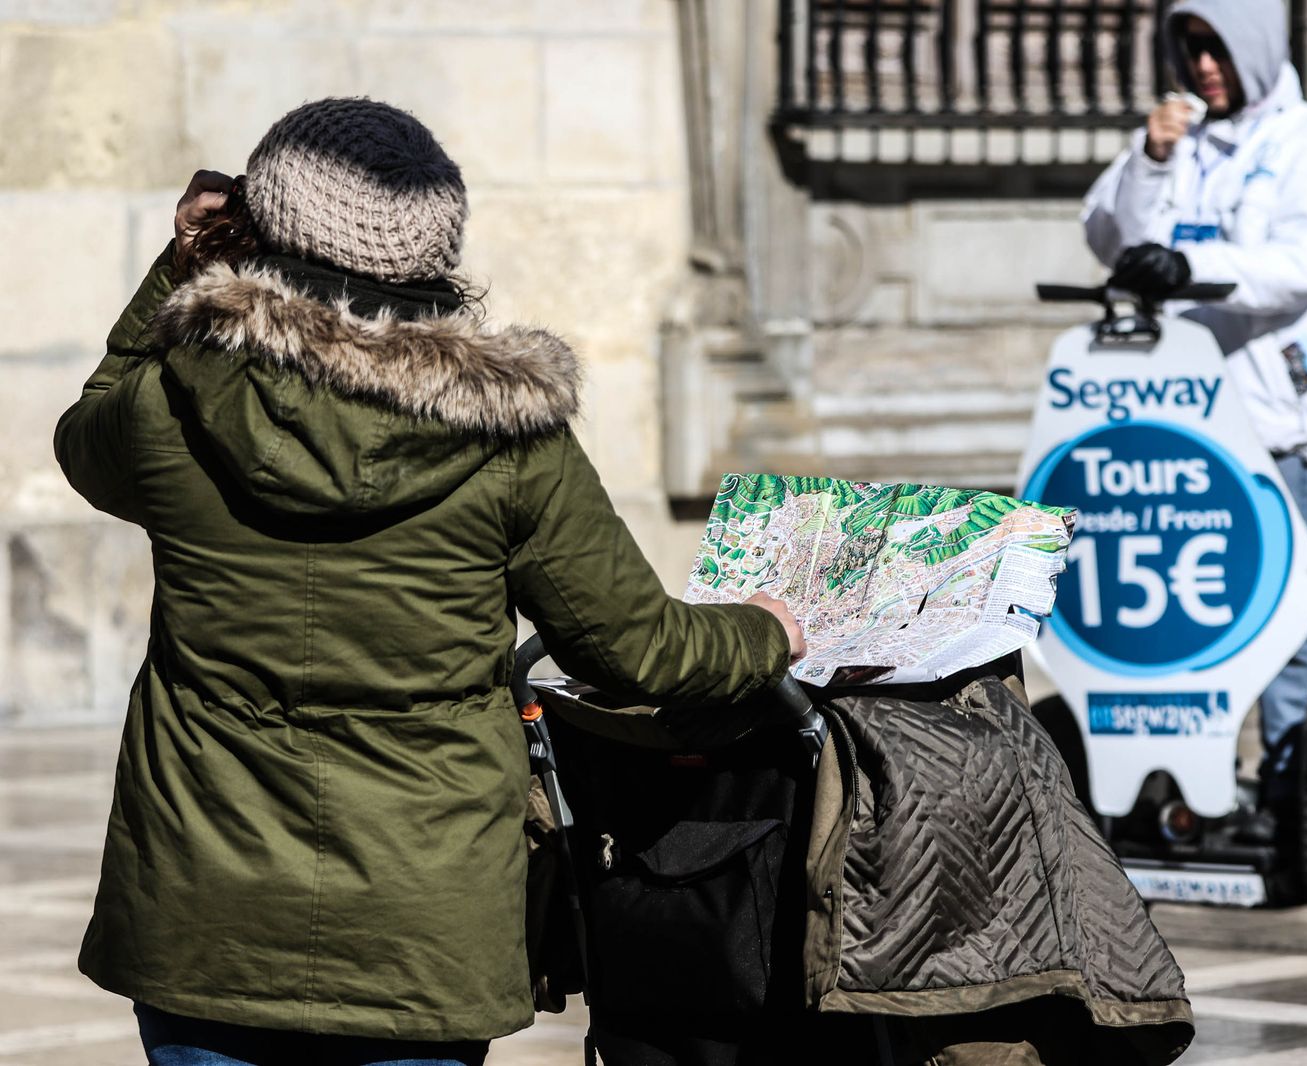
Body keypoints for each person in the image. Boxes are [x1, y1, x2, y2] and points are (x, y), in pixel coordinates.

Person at [56, 97, 805, 1065]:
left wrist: (182, 269)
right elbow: (635, 649)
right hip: (420, 920)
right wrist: (765, 631)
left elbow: (87, 432)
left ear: (262, 227)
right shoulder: (509, 436)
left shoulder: (170, 402)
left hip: (205, 910)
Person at [1082, 0, 1307, 837]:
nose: (1204, 67)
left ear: (1260, 44)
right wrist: (1153, 160)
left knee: (1281, 606)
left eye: (1219, 48)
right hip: (1176, 412)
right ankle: (1183, 789)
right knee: (1182, 603)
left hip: (1272, 413)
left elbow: (1296, 268)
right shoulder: (1183, 134)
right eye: (1190, 47)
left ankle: (1287, 790)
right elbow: (1107, 235)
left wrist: (1188, 263)